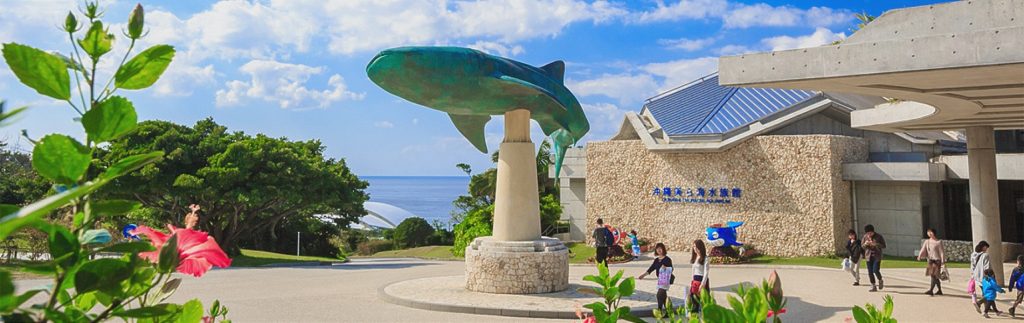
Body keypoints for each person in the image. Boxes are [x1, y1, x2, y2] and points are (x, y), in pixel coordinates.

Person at [638, 243, 672, 310]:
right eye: (657, 248)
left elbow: (671, 269)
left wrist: (665, 267)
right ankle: (668, 311)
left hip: (665, 279)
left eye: (660, 248)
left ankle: (659, 310)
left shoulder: (667, 259)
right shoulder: (656, 260)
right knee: (663, 296)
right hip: (659, 279)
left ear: (663, 249)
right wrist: (643, 275)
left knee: (659, 294)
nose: (659, 250)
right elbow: (651, 268)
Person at [917, 228, 946, 296]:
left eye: (931, 232)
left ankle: (931, 290)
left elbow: (942, 252)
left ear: (934, 233)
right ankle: (939, 290)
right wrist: (919, 256)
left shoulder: (938, 242)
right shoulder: (927, 241)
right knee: (934, 276)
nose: (929, 233)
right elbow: (923, 249)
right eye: (928, 232)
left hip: (937, 260)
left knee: (933, 275)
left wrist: (943, 261)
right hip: (930, 260)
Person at [862, 224, 886, 292]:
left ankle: (880, 280)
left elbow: (884, 245)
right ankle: (873, 285)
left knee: (875, 270)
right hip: (868, 256)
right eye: (867, 233)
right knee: (870, 272)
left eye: (870, 233)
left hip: (877, 256)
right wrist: (865, 244)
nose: (869, 234)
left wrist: (875, 244)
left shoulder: (879, 236)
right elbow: (862, 246)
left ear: (873, 231)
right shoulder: (865, 237)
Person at [689, 239, 710, 314]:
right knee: (693, 298)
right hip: (695, 280)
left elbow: (706, 272)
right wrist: (692, 281)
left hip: (702, 280)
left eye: (696, 247)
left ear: (700, 247)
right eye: (694, 247)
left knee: (704, 299)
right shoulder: (695, 257)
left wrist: (703, 284)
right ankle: (695, 313)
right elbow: (693, 271)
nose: (695, 249)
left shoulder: (705, 258)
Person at [972, 241, 992, 313]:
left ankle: (987, 307)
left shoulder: (974, 254)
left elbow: (972, 266)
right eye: (986, 247)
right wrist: (990, 276)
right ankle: (979, 303)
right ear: (983, 246)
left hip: (976, 276)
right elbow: (987, 267)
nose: (986, 249)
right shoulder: (985, 255)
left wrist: (972, 275)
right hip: (984, 276)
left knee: (985, 291)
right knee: (989, 292)